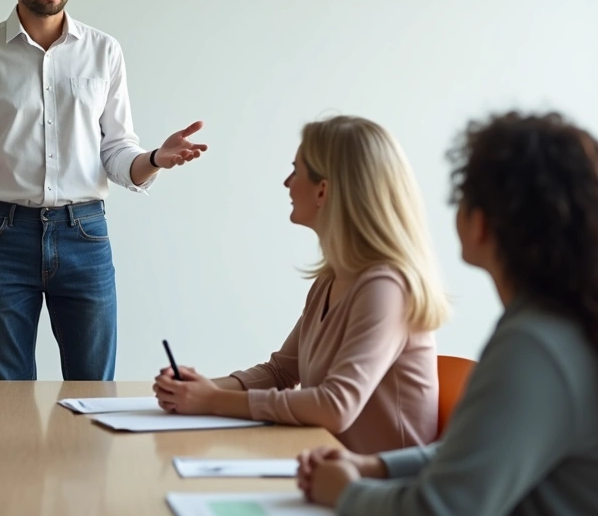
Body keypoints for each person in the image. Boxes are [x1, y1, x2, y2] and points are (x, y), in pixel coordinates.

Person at [300, 111, 598, 516]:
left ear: (480, 223)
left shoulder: (535, 347)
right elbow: (475, 449)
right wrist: (375, 466)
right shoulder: (576, 327)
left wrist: (343, 491)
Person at [0, 0, 208, 381]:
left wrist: (154, 160)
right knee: (8, 394)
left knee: (93, 393)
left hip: (84, 234)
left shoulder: (105, 52)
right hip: (3, 234)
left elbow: (118, 151)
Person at [153, 115, 447, 453]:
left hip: (378, 493)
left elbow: (335, 406)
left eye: (296, 170)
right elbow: (281, 372)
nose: (286, 182)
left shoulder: (386, 288)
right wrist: (198, 389)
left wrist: (213, 401)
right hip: (329, 475)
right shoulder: (332, 278)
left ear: (323, 190)